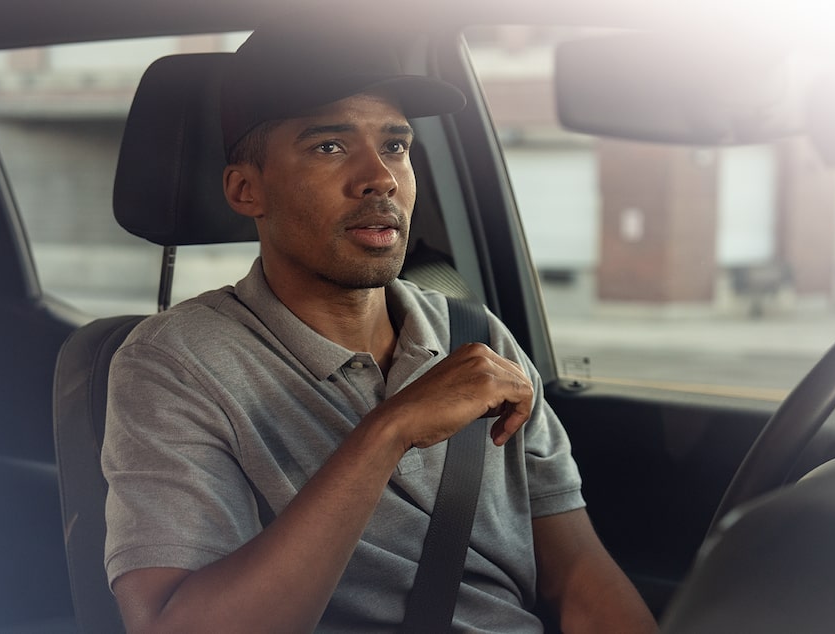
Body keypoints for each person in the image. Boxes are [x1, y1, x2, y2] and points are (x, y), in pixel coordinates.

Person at [101, 24, 656, 634]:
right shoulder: (175, 363)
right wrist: (391, 429)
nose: (381, 177)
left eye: (395, 146)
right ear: (246, 188)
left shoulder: (475, 336)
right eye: (329, 147)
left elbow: (577, 576)